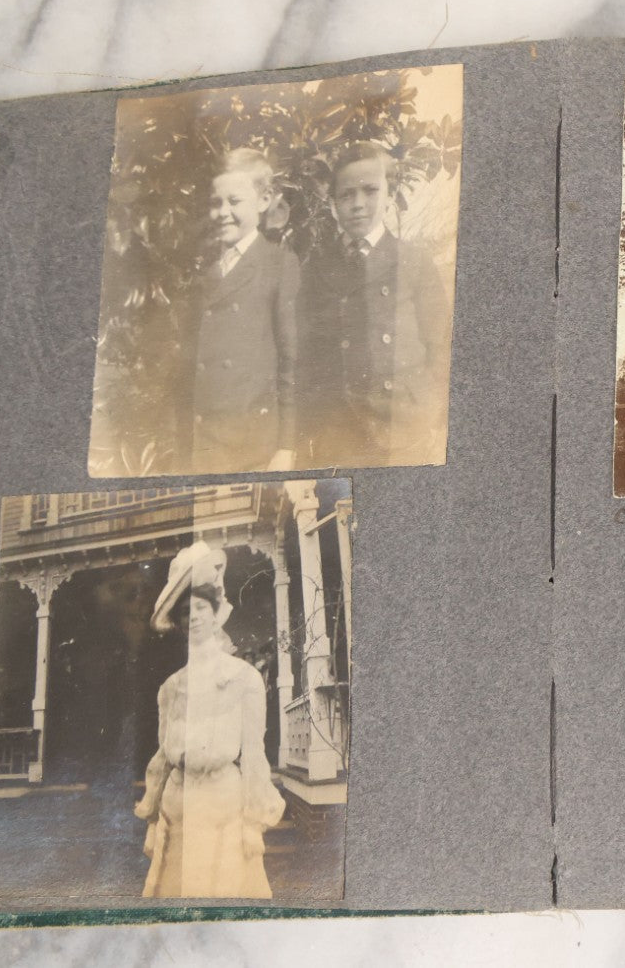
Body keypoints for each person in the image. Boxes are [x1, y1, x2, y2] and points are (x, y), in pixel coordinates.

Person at [133, 542, 285, 899]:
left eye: (202, 607)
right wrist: (154, 822)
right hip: (178, 808)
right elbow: (162, 758)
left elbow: (253, 756)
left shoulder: (243, 678)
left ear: (217, 614)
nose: (194, 617)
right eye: (186, 612)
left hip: (224, 807)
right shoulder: (170, 688)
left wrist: (252, 825)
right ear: (179, 624)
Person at [300, 142, 453, 469]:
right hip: (337, 431)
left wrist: (434, 416)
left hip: (402, 426)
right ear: (333, 204)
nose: (358, 204)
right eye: (346, 195)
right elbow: (307, 351)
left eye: (370, 191)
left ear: (389, 195)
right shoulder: (316, 266)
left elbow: (440, 343)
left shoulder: (413, 260)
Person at [186, 148, 300, 474]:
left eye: (234, 202)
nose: (222, 212)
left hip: (251, 441)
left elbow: (290, 361)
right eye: (216, 202)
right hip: (203, 438)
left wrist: (286, 446)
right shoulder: (207, 271)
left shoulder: (278, 263)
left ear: (263, 201)